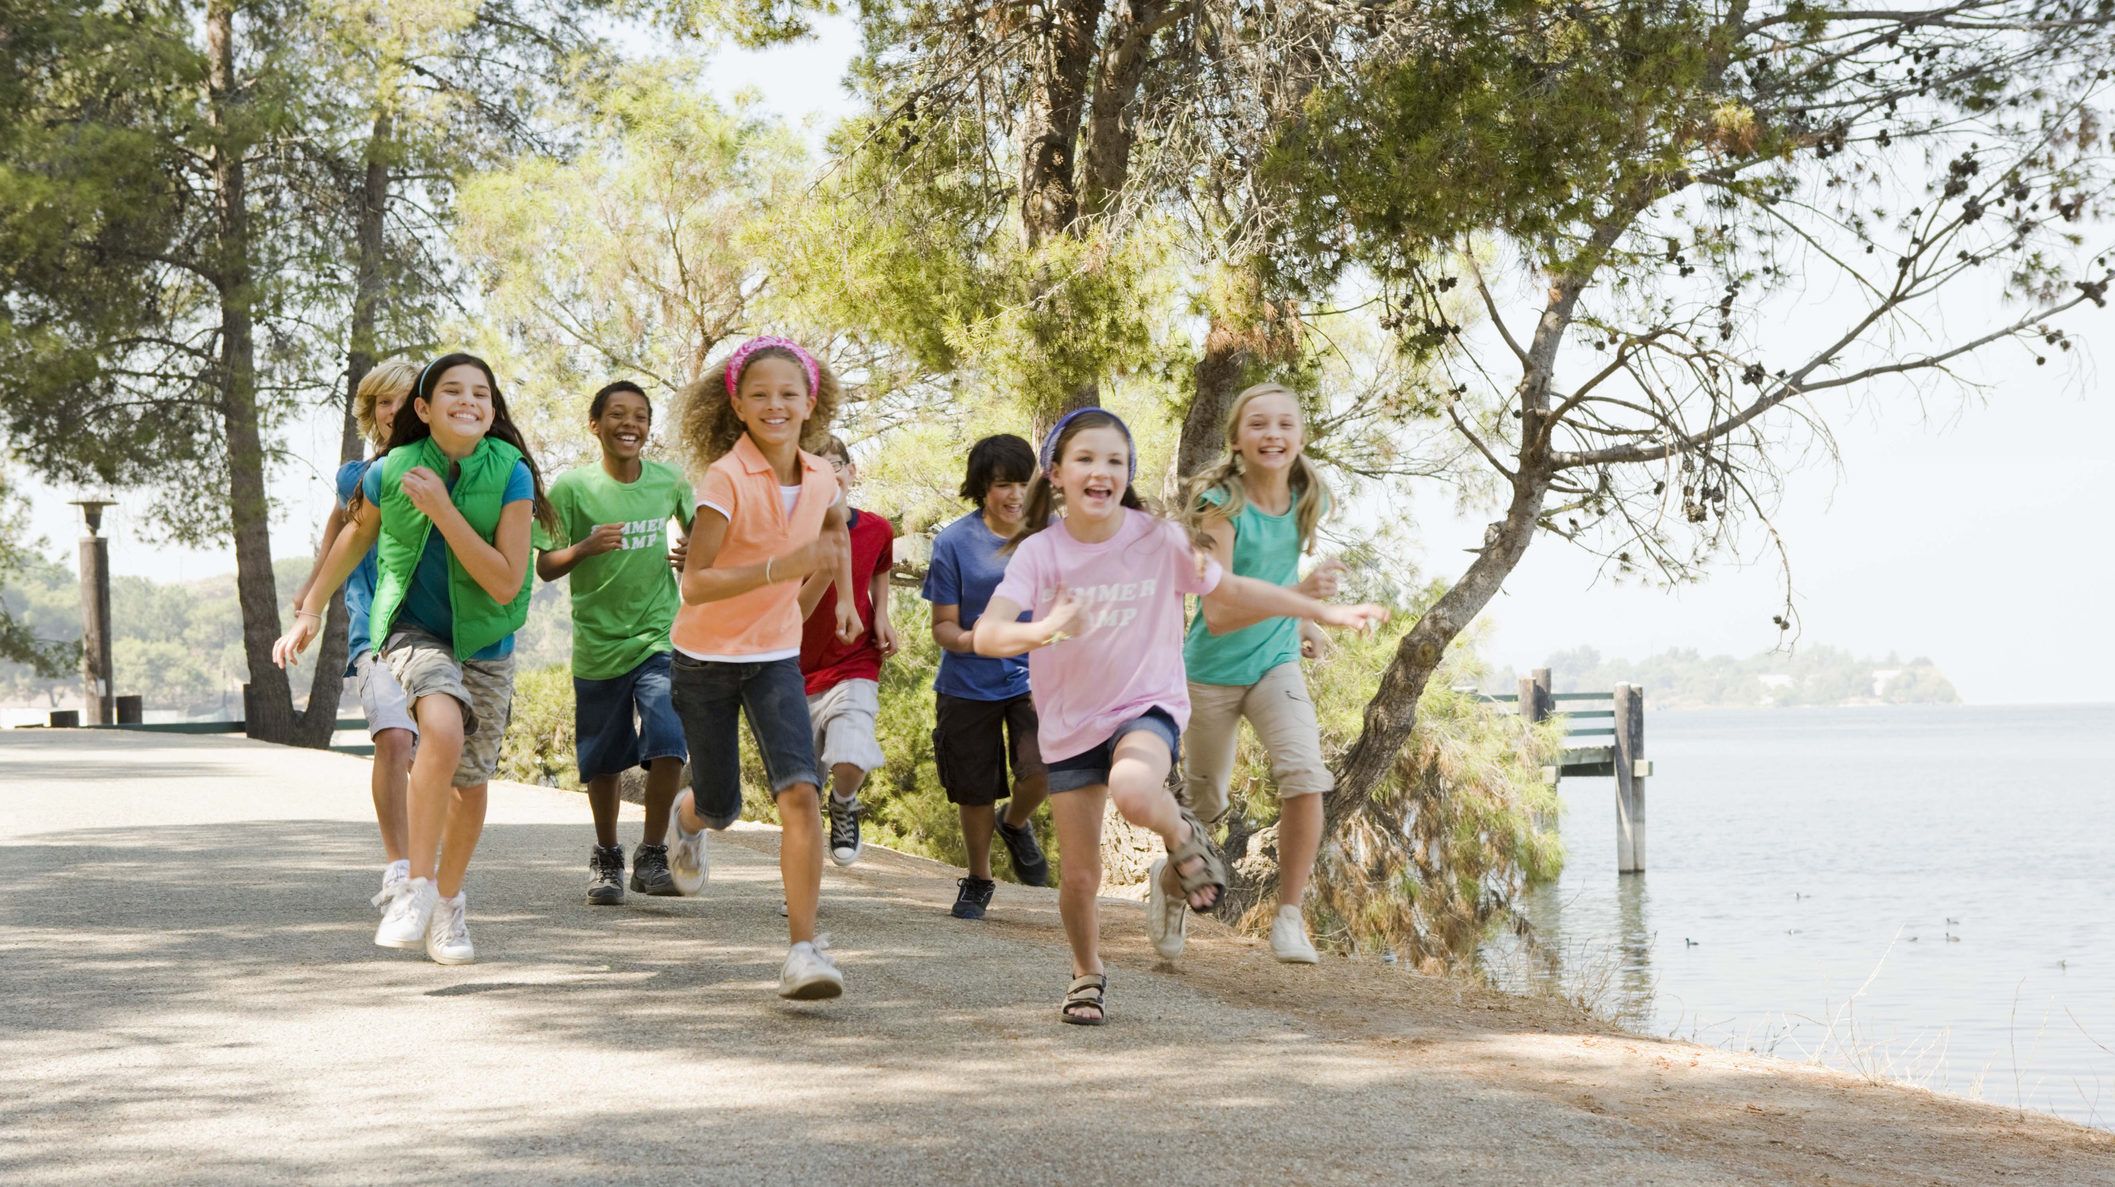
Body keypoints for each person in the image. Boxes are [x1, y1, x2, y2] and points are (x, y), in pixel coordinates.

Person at [972, 409, 1387, 1024]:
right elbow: (987, 635)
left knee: (1136, 787)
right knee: (1080, 879)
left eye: (1116, 461)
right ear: (1056, 474)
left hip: (1146, 705)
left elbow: (1232, 591)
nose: (1102, 472)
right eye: (1086, 459)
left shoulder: (1157, 539)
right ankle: (1087, 972)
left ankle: (1183, 837)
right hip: (1067, 725)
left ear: (1128, 473)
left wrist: (1316, 610)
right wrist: (1046, 628)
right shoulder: (1040, 553)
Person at [275, 352, 553, 966]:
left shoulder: (512, 474)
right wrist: (311, 609)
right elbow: (355, 535)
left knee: (470, 786)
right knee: (440, 728)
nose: (468, 401)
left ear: (493, 409)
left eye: (481, 393)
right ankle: (416, 887)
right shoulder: (390, 469)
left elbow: (506, 582)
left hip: (487, 638)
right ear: (423, 410)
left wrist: (444, 512)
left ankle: (449, 903)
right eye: (451, 391)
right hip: (409, 629)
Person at [664, 335, 858, 1001]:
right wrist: (777, 570)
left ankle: (804, 949)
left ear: (810, 402)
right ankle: (687, 823)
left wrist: (836, 607)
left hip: (773, 656)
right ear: (738, 406)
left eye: (787, 393)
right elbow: (696, 583)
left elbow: (831, 540)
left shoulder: (824, 475)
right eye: (759, 395)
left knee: (800, 791)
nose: (775, 404)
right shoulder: (724, 480)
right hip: (703, 658)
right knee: (720, 804)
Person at [1182, 383, 1347, 964]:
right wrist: (1302, 599)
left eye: (1285, 423)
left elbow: (1280, 567)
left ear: (1301, 436)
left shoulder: (1310, 497)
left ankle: (1289, 917)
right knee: (1204, 804)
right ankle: (1172, 883)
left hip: (1274, 662)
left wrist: (1305, 622)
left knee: (1305, 773)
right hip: (1211, 670)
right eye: (1258, 423)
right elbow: (1221, 611)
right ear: (1236, 439)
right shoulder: (1219, 505)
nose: (1272, 433)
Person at [534, 380, 695, 905]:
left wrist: (696, 555)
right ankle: (607, 855)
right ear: (595, 425)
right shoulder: (572, 489)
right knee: (602, 759)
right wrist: (583, 547)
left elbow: (708, 541)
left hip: (659, 636)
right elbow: (544, 565)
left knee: (669, 733)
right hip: (599, 643)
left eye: (641, 416)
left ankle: (651, 854)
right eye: (619, 415)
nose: (631, 424)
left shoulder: (670, 481)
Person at [288, 358, 421, 914]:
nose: (393, 411)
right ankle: (400, 868)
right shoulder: (355, 477)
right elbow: (340, 532)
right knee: (393, 740)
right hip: (375, 630)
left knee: (440, 754)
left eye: (403, 399)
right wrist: (308, 601)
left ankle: (430, 867)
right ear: (372, 413)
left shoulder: (445, 470)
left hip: (442, 633)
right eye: (382, 402)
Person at [921, 434, 1051, 920]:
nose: (1014, 495)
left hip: (1036, 678)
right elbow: (943, 628)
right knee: (974, 788)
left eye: (1022, 483)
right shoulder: (954, 542)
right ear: (982, 488)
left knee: (1043, 770)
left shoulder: (1050, 534)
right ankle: (978, 879)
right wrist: (975, 640)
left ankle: (1015, 822)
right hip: (966, 683)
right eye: (1002, 485)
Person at [795, 434, 897, 868]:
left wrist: (882, 614)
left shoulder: (877, 528)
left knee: (852, 753)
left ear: (851, 472)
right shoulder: (789, 533)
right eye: (813, 466)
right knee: (800, 791)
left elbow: (879, 568)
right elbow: (786, 611)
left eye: (835, 463)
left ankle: (844, 802)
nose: (827, 472)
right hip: (792, 671)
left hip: (853, 660)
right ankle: (801, 888)